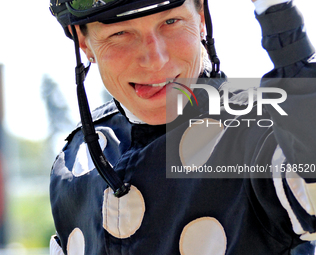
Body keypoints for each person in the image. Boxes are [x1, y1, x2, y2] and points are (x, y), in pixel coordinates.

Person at [48, 0, 316, 254]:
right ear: (84, 43)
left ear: (200, 19)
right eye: (120, 33)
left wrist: (283, 28)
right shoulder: (74, 158)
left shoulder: (259, 131)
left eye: (171, 21)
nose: (155, 59)